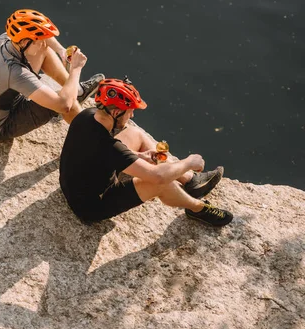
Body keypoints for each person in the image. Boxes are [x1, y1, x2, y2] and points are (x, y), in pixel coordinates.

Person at [59, 77, 232, 226]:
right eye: (130, 111)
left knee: (136, 134)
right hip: (92, 205)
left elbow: (99, 153)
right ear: (117, 112)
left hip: (76, 181)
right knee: (162, 182)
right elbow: (158, 177)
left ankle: (190, 181)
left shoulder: (87, 115)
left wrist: (138, 157)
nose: (132, 116)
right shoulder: (109, 147)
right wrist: (188, 163)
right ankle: (197, 208)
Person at [0, 9, 105, 140]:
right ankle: (93, 137)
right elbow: (63, 105)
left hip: (8, 97)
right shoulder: (15, 73)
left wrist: (61, 52)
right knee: (67, 101)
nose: (43, 42)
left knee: (43, 50)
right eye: (38, 40)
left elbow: (44, 39)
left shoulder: (8, 39)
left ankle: (76, 90)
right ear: (25, 42)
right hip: (4, 124)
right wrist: (76, 69)